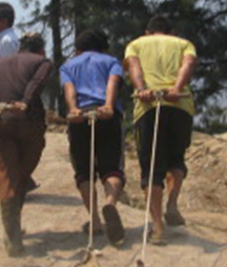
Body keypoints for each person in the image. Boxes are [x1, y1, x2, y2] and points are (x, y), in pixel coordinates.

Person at [124, 15, 197, 244]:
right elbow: (188, 64)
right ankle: (172, 203)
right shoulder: (184, 43)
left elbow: (134, 68)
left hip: (148, 108)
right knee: (176, 159)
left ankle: (157, 227)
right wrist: (176, 88)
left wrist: (141, 90)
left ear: (148, 32)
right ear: (171, 32)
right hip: (181, 106)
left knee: (151, 167)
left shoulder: (136, 44)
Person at [0, 32, 52, 256]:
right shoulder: (43, 62)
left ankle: (13, 236)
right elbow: (36, 84)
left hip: (0, 122)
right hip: (30, 123)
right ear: (40, 49)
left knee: (6, 176)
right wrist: (25, 102)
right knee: (21, 174)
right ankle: (13, 234)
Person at [60, 28, 126, 245]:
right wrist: (108, 105)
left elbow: (69, 88)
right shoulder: (112, 61)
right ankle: (110, 203)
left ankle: (95, 221)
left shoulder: (68, 66)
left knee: (84, 171)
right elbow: (112, 82)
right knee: (112, 168)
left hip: (81, 117)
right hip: (107, 117)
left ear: (78, 48)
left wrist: (73, 109)